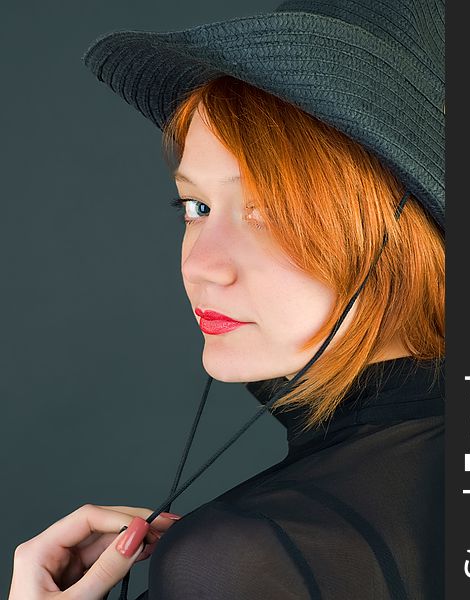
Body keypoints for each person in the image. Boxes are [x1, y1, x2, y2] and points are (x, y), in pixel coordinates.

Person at [8, 1, 445, 599]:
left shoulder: (248, 555)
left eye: (267, 212)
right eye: (196, 208)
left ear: (402, 232)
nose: (200, 266)